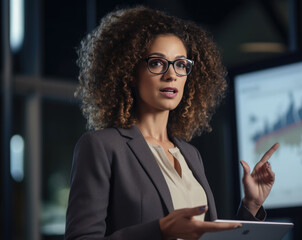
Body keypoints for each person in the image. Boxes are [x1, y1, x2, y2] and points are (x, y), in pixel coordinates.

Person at [65, 5, 279, 240]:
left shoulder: (190, 154)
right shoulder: (101, 147)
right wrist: (160, 230)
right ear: (129, 72)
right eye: (157, 63)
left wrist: (251, 204)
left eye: (180, 64)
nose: (172, 75)